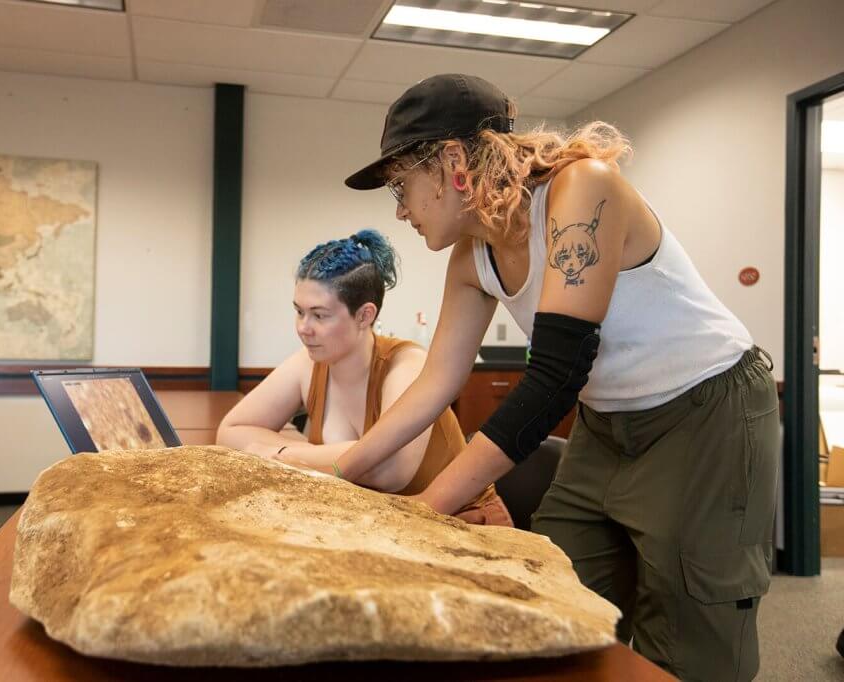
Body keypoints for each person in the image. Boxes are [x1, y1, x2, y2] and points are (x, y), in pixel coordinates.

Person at [318, 74, 778, 681]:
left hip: (706, 412)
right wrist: (339, 478)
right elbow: (436, 384)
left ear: (454, 161)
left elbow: (556, 375)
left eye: (402, 186)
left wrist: (426, 508)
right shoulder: (472, 254)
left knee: (689, 635)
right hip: (606, 423)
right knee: (553, 595)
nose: (400, 209)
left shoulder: (583, 191)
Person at [217, 228, 512, 526]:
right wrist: (303, 457)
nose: (303, 328)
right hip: (382, 524)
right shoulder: (307, 364)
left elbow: (389, 470)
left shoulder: (406, 365)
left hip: (463, 523)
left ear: (364, 315)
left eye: (319, 315)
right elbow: (231, 429)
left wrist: (283, 454)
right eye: (299, 312)